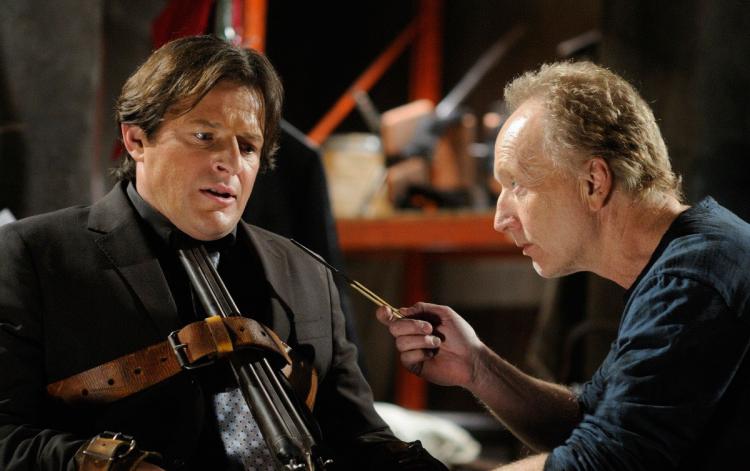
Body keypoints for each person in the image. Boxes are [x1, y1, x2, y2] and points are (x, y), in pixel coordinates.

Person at [0, 35, 446, 470]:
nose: (231, 162)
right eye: (204, 136)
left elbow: (358, 435)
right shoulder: (32, 256)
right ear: (136, 140)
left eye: (248, 147)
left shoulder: (307, 272)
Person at [377, 61, 750, 470]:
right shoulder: (685, 264)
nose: (500, 219)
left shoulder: (692, 280)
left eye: (517, 184)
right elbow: (592, 422)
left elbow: (601, 463)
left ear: (594, 182)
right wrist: (476, 365)